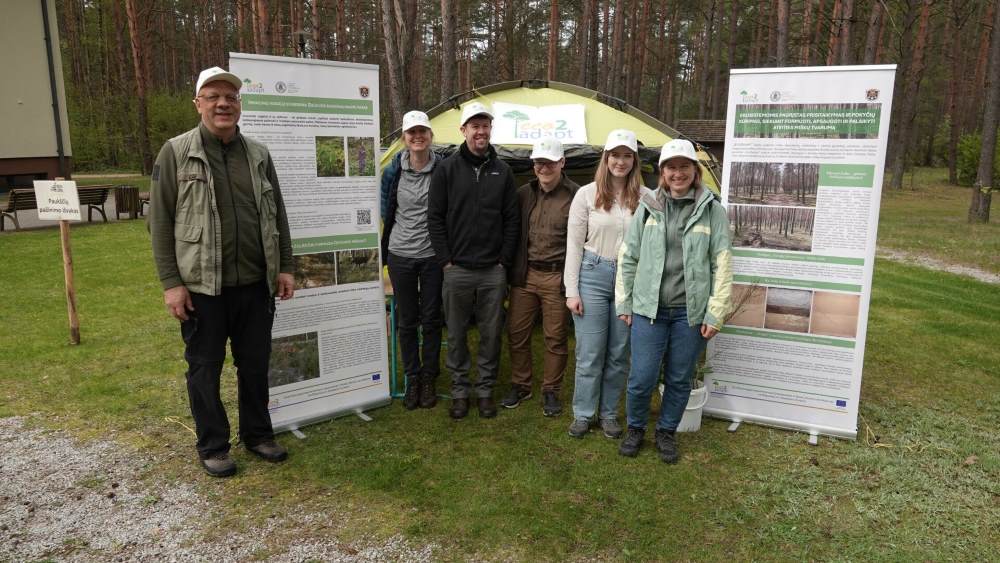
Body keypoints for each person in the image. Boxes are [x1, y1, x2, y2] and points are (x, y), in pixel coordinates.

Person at [149, 66, 295, 477]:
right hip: (202, 288)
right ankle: (213, 445)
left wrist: (284, 266)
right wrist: (172, 284)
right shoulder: (176, 152)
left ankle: (258, 434)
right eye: (213, 96)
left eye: (230, 97)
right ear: (198, 104)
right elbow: (159, 223)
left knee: (254, 365)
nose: (222, 103)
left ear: (240, 105)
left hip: (254, 285)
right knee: (204, 368)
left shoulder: (259, 154)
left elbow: (278, 216)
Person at [615, 139, 732, 463]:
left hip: (689, 313)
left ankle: (666, 432)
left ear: (695, 171)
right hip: (648, 309)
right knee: (642, 377)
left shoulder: (712, 211)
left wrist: (715, 311)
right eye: (671, 167)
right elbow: (629, 257)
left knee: (679, 377)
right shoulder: (648, 207)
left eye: (684, 166)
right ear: (662, 172)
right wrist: (624, 303)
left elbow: (721, 263)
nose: (677, 173)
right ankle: (636, 428)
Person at [427, 101, 519, 420]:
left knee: (491, 333)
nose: (480, 131)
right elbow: (435, 218)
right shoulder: (446, 169)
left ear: (490, 130)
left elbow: (512, 220)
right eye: (474, 126)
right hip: (457, 269)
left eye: (485, 125)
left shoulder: (503, 171)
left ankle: (484, 390)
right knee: (455, 332)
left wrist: (504, 261)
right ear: (463, 130)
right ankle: (459, 391)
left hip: (493, 270)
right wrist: (445, 261)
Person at [564, 129, 649, 439]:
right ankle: (584, 413)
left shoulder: (645, 197)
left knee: (618, 352)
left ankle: (609, 413)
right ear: (606, 158)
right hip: (593, 273)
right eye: (616, 155)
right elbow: (573, 246)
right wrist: (571, 290)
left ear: (634, 160)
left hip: (629, 280)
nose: (621, 161)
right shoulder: (586, 195)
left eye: (627, 155)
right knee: (590, 352)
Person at [502, 138, 579, 416]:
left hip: (556, 277)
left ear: (562, 163)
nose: (543, 167)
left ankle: (551, 390)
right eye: (538, 162)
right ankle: (521, 385)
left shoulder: (576, 195)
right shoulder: (523, 193)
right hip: (525, 275)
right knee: (517, 333)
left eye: (549, 161)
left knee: (555, 337)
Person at [380, 110, 442, 410]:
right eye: (411, 133)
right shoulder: (393, 170)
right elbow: (385, 207)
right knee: (406, 321)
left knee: (431, 320)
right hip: (401, 254)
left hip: (432, 256)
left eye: (422, 132)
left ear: (430, 135)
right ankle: (412, 378)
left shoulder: (442, 168)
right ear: (404, 138)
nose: (417, 137)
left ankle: (429, 377)